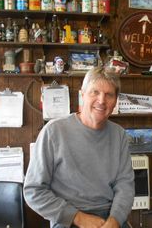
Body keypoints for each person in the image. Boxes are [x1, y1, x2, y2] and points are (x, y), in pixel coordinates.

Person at [24, 67, 135, 228]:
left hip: (110, 218)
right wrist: (78, 218)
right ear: (82, 95)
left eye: (109, 94)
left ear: (115, 100)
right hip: (69, 220)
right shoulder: (54, 131)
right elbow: (33, 191)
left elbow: (125, 186)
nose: (102, 100)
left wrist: (115, 220)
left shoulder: (119, 135)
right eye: (94, 92)